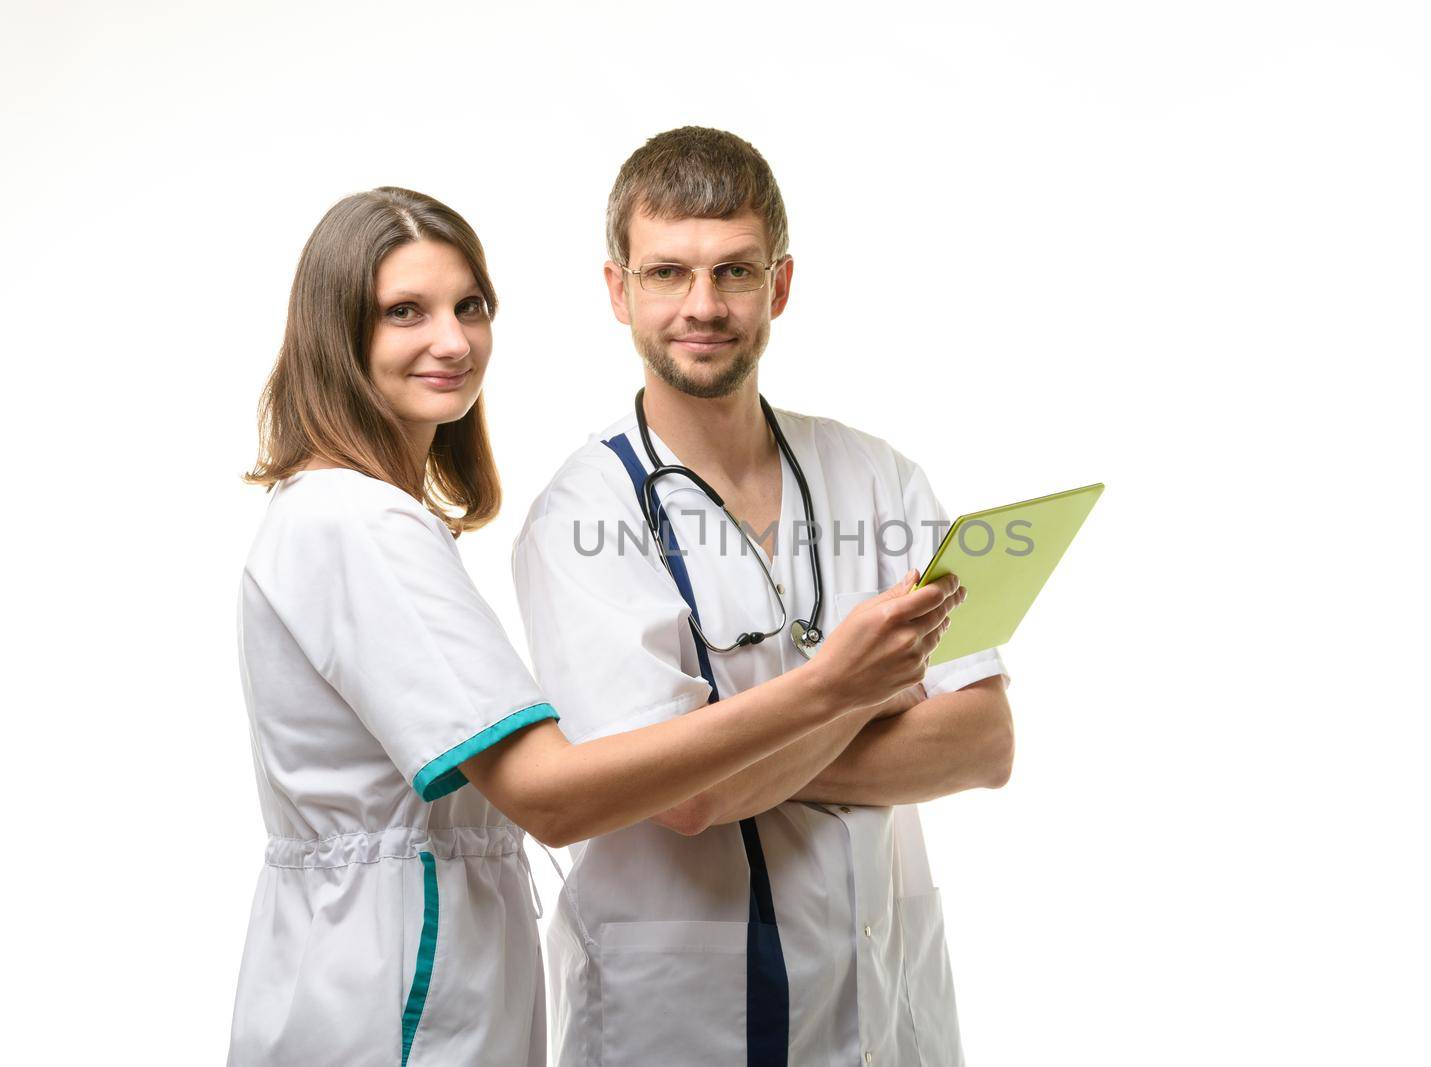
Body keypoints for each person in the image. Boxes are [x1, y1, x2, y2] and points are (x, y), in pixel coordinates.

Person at [229, 186, 962, 1067]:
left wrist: (763, 747)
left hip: (417, 968)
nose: (454, 341)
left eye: (471, 306)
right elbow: (555, 795)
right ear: (336, 334)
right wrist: (841, 687)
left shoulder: (371, 518)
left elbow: (985, 742)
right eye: (403, 312)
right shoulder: (358, 524)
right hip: (389, 997)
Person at [512, 128, 1014, 1067]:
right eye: (667, 273)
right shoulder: (583, 515)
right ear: (618, 289)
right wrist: (865, 686)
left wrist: (731, 750)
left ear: (779, 285)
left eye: (734, 272)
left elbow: (985, 742)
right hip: (684, 1020)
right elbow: (689, 799)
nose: (703, 306)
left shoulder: (881, 476)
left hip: (888, 1006)